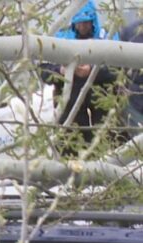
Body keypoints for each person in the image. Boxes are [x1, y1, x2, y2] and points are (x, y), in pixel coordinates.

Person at [42, 0, 119, 154]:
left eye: (86, 23)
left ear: (92, 21)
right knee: (69, 153)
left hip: (101, 112)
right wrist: (62, 71)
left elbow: (118, 71)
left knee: (106, 151)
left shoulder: (106, 37)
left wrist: (92, 71)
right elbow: (44, 71)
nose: (83, 27)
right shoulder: (61, 39)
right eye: (79, 23)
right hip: (69, 115)